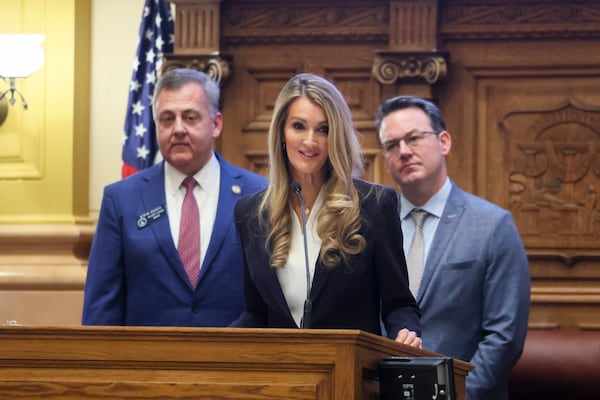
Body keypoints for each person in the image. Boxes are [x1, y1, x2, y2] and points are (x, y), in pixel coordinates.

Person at [230, 73, 422, 347]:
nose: (310, 141)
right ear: (282, 133)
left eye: (323, 129)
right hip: (282, 378)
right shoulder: (250, 213)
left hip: (348, 375)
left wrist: (406, 331)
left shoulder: (374, 204)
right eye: (299, 126)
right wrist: (214, 345)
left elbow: (399, 304)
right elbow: (256, 313)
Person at [82, 68, 267, 326]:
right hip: (147, 362)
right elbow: (101, 307)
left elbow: (270, 302)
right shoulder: (121, 199)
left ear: (216, 124)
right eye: (167, 119)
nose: (178, 129)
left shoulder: (258, 195)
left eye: (190, 117)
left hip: (233, 361)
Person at [376, 95, 531, 400]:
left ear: (443, 142)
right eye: (392, 145)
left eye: (414, 138)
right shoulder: (374, 227)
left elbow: (504, 336)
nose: (404, 152)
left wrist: (458, 396)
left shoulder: (493, 225)